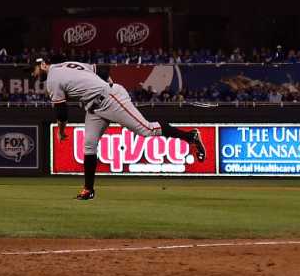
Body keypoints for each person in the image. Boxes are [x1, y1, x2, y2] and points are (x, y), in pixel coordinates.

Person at [34, 58, 206, 200]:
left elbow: (62, 113)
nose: (34, 74)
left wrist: (61, 131)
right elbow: (101, 69)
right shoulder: (67, 64)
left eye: (34, 69)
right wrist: (107, 85)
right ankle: (88, 190)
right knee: (89, 145)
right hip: (95, 107)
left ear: (43, 64)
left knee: (146, 130)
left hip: (109, 99)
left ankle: (190, 137)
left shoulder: (52, 79)